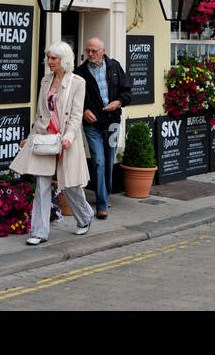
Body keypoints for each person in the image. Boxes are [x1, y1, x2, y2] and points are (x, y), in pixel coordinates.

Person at [9, 42, 94, 244]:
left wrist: (70, 137)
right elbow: (41, 114)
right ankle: (39, 232)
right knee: (42, 185)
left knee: (70, 185)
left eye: (53, 58)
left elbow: (75, 115)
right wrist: (30, 139)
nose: (49, 62)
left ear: (63, 59)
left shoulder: (78, 82)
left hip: (66, 141)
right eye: (48, 58)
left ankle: (84, 216)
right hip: (45, 139)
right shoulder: (46, 80)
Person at [75, 37, 131, 219]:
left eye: (94, 51)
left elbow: (127, 92)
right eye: (88, 50)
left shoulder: (114, 67)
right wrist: (84, 111)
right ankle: (101, 204)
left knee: (109, 159)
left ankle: (105, 194)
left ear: (103, 51)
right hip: (92, 125)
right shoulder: (80, 72)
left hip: (113, 122)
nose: (90, 54)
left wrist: (119, 102)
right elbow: (72, 99)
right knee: (98, 161)